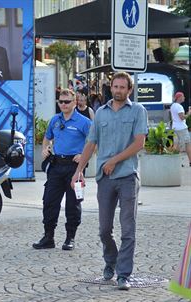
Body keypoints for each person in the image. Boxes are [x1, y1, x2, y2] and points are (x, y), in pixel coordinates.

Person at [71, 72, 148, 290]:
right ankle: (110, 261)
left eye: (123, 87)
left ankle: (123, 274)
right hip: (104, 178)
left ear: (129, 90)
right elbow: (90, 144)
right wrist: (78, 171)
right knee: (104, 229)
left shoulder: (138, 111)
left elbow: (139, 143)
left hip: (128, 176)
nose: (118, 90)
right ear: (111, 88)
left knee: (127, 229)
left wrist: (114, 160)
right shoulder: (101, 114)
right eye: (115, 86)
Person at [32, 89, 92, 251]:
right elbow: (47, 137)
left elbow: (94, 141)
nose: (63, 105)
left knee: (73, 203)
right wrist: (45, 148)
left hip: (75, 167)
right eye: (61, 102)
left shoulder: (84, 122)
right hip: (56, 165)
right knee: (49, 201)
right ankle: (48, 237)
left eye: (67, 102)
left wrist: (83, 156)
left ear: (74, 102)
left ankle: (70, 237)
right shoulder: (55, 120)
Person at [170, 91, 191, 167]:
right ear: (179, 98)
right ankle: (190, 161)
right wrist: (189, 112)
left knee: (176, 144)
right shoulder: (179, 107)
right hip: (182, 128)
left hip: (175, 127)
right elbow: (182, 117)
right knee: (187, 144)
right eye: (183, 96)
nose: (184, 98)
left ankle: (176, 162)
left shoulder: (172, 106)